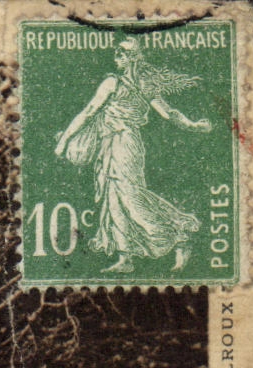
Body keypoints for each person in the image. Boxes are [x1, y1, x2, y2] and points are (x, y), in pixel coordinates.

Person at [54, 37, 212, 273]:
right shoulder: (117, 82)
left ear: (133, 58)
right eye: (117, 52)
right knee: (113, 198)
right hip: (108, 144)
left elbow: (168, 113)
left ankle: (180, 235)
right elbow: (89, 112)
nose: (116, 55)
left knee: (130, 196)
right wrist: (65, 139)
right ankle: (125, 257)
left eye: (122, 52)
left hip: (126, 144)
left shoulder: (128, 84)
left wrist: (193, 125)